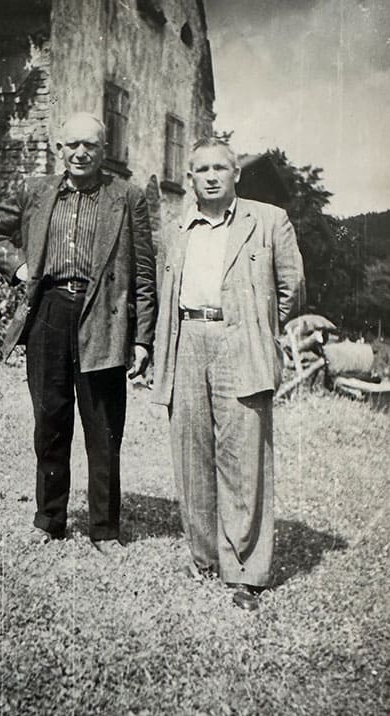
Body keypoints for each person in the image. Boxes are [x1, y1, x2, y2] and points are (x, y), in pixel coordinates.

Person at [0, 112, 156, 555]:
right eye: (72, 144)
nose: (80, 152)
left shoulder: (127, 197)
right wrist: (19, 268)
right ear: (60, 149)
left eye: (90, 145)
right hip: (49, 312)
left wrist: (142, 338)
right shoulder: (36, 192)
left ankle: (104, 529)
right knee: (50, 420)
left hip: (104, 316)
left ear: (103, 150)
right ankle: (50, 519)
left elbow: (144, 273)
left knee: (104, 426)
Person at [153, 137, 305, 610]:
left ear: (236, 174)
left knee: (243, 458)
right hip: (187, 340)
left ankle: (245, 571)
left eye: (220, 168)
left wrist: (260, 331)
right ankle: (204, 557)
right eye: (202, 170)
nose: (212, 176)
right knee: (191, 453)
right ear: (190, 179)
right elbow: (163, 288)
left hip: (240, 342)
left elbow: (292, 288)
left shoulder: (268, 221)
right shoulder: (176, 228)